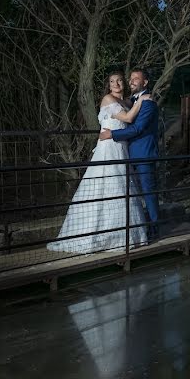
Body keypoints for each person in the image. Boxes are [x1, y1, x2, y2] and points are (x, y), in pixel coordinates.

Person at [48, 72, 148, 253]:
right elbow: (127, 119)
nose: (116, 83)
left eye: (118, 80)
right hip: (108, 148)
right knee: (105, 185)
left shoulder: (127, 102)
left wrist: (139, 100)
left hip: (122, 150)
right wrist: (141, 101)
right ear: (109, 85)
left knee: (122, 187)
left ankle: (125, 236)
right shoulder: (108, 100)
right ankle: (95, 236)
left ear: (123, 83)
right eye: (112, 81)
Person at [99, 68, 160, 240]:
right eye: (131, 78)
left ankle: (154, 229)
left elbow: (137, 128)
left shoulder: (147, 102)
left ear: (145, 83)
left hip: (143, 154)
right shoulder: (129, 101)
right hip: (125, 152)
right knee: (123, 191)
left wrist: (112, 134)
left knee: (148, 191)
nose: (131, 81)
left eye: (136, 79)